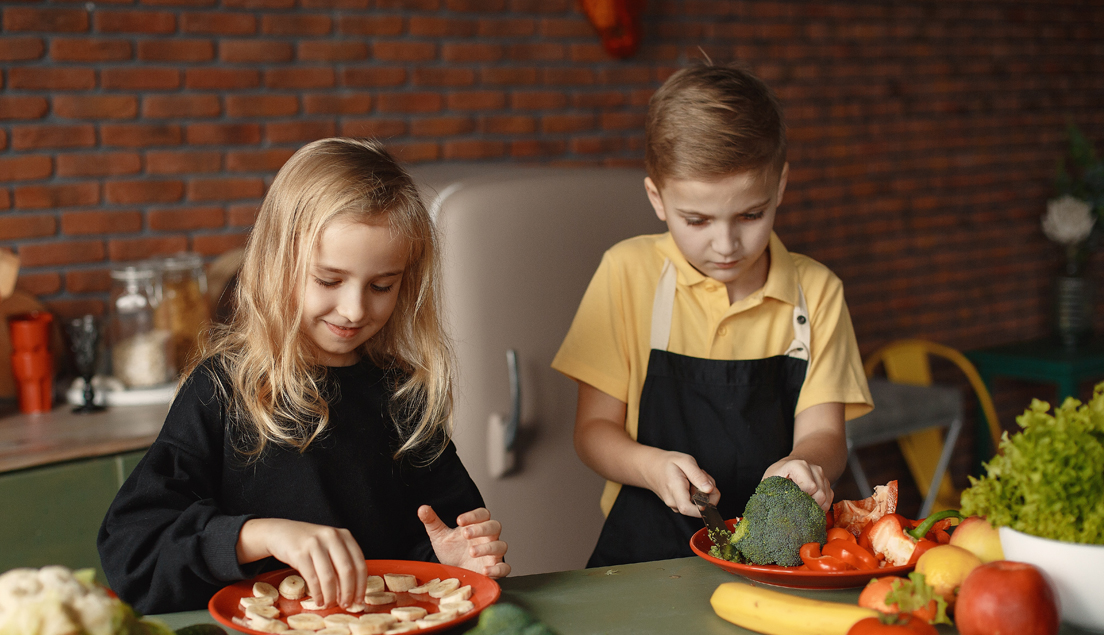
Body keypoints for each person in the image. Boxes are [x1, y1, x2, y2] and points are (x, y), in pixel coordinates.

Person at [99, 138, 510, 614]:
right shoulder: (221, 390)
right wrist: (257, 534)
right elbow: (132, 551)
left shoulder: (404, 397)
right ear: (279, 263)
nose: (355, 309)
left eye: (382, 286)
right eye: (329, 281)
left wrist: (456, 561)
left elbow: (438, 553)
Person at [552, 64, 873, 567]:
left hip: (780, 559)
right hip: (644, 553)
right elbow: (593, 431)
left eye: (751, 215)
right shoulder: (626, 273)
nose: (726, 245)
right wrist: (651, 466)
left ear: (781, 187)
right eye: (697, 220)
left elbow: (828, 436)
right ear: (657, 198)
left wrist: (802, 463)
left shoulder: (817, 292)